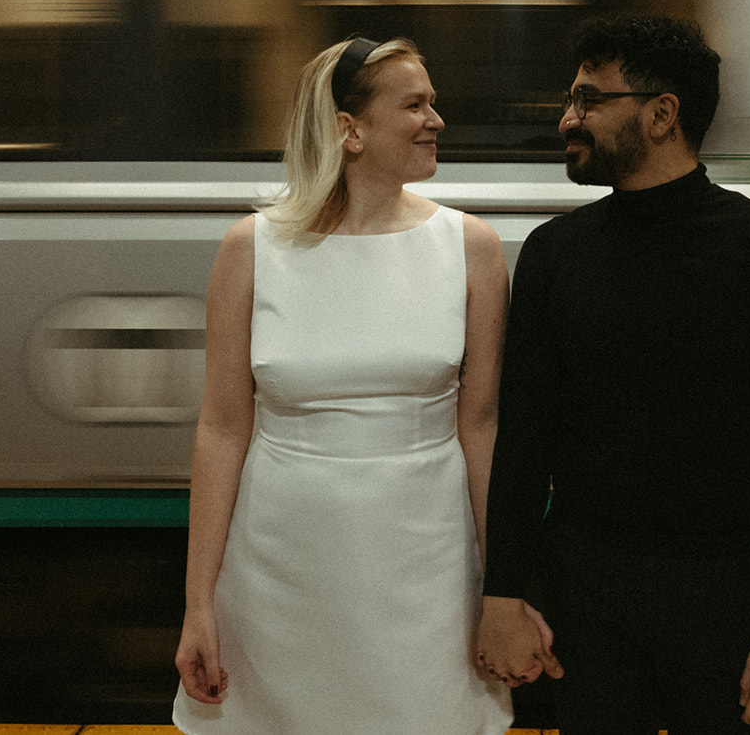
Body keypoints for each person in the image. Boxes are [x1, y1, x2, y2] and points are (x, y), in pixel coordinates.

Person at [476, 14, 750, 733]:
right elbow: (524, 439)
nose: (567, 118)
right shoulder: (555, 255)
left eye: (589, 100)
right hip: (587, 597)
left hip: (731, 599)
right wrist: (503, 595)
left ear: (661, 113)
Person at [173, 36, 514, 735]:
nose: (436, 119)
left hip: (429, 563)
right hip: (280, 566)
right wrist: (198, 604)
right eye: (415, 104)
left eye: (434, 103)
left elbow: (479, 426)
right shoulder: (250, 249)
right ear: (349, 129)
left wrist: (503, 587)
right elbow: (222, 427)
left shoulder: (472, 248)